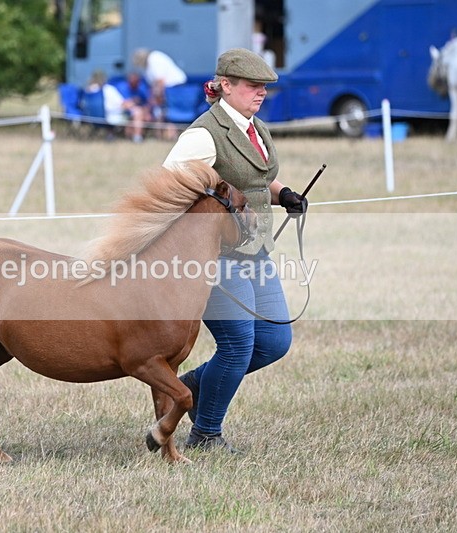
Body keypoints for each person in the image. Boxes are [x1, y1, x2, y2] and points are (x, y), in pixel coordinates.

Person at [162, 48, 308, 452]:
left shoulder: (254, 127)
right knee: (238, 345)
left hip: (256, 251)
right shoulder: (203, 134)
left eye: (263, 87)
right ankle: (206, 433)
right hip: (215, 257)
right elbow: (169, 188)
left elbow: (256, 181)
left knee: (274, 343)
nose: (260, 93)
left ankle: (193, 384)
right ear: (225, 86)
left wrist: (284, 195)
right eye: (251, 86)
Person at [132, 48, 187, 140]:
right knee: (159, 112)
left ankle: (169, 135)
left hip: (174, 88)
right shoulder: (147, 67)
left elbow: (160, 81)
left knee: (169, 113)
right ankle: (159, 136)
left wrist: (157, 97)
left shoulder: (154, 59)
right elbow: (153, 85)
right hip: (166, 89)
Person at [85, 70, 146, 142]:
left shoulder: (87, 91)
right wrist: (133, 102)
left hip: (91, 118)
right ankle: (137, 138)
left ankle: (111, 135)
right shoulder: (108, 89)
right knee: (137, 112)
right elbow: (123, 104)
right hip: (112, 116)